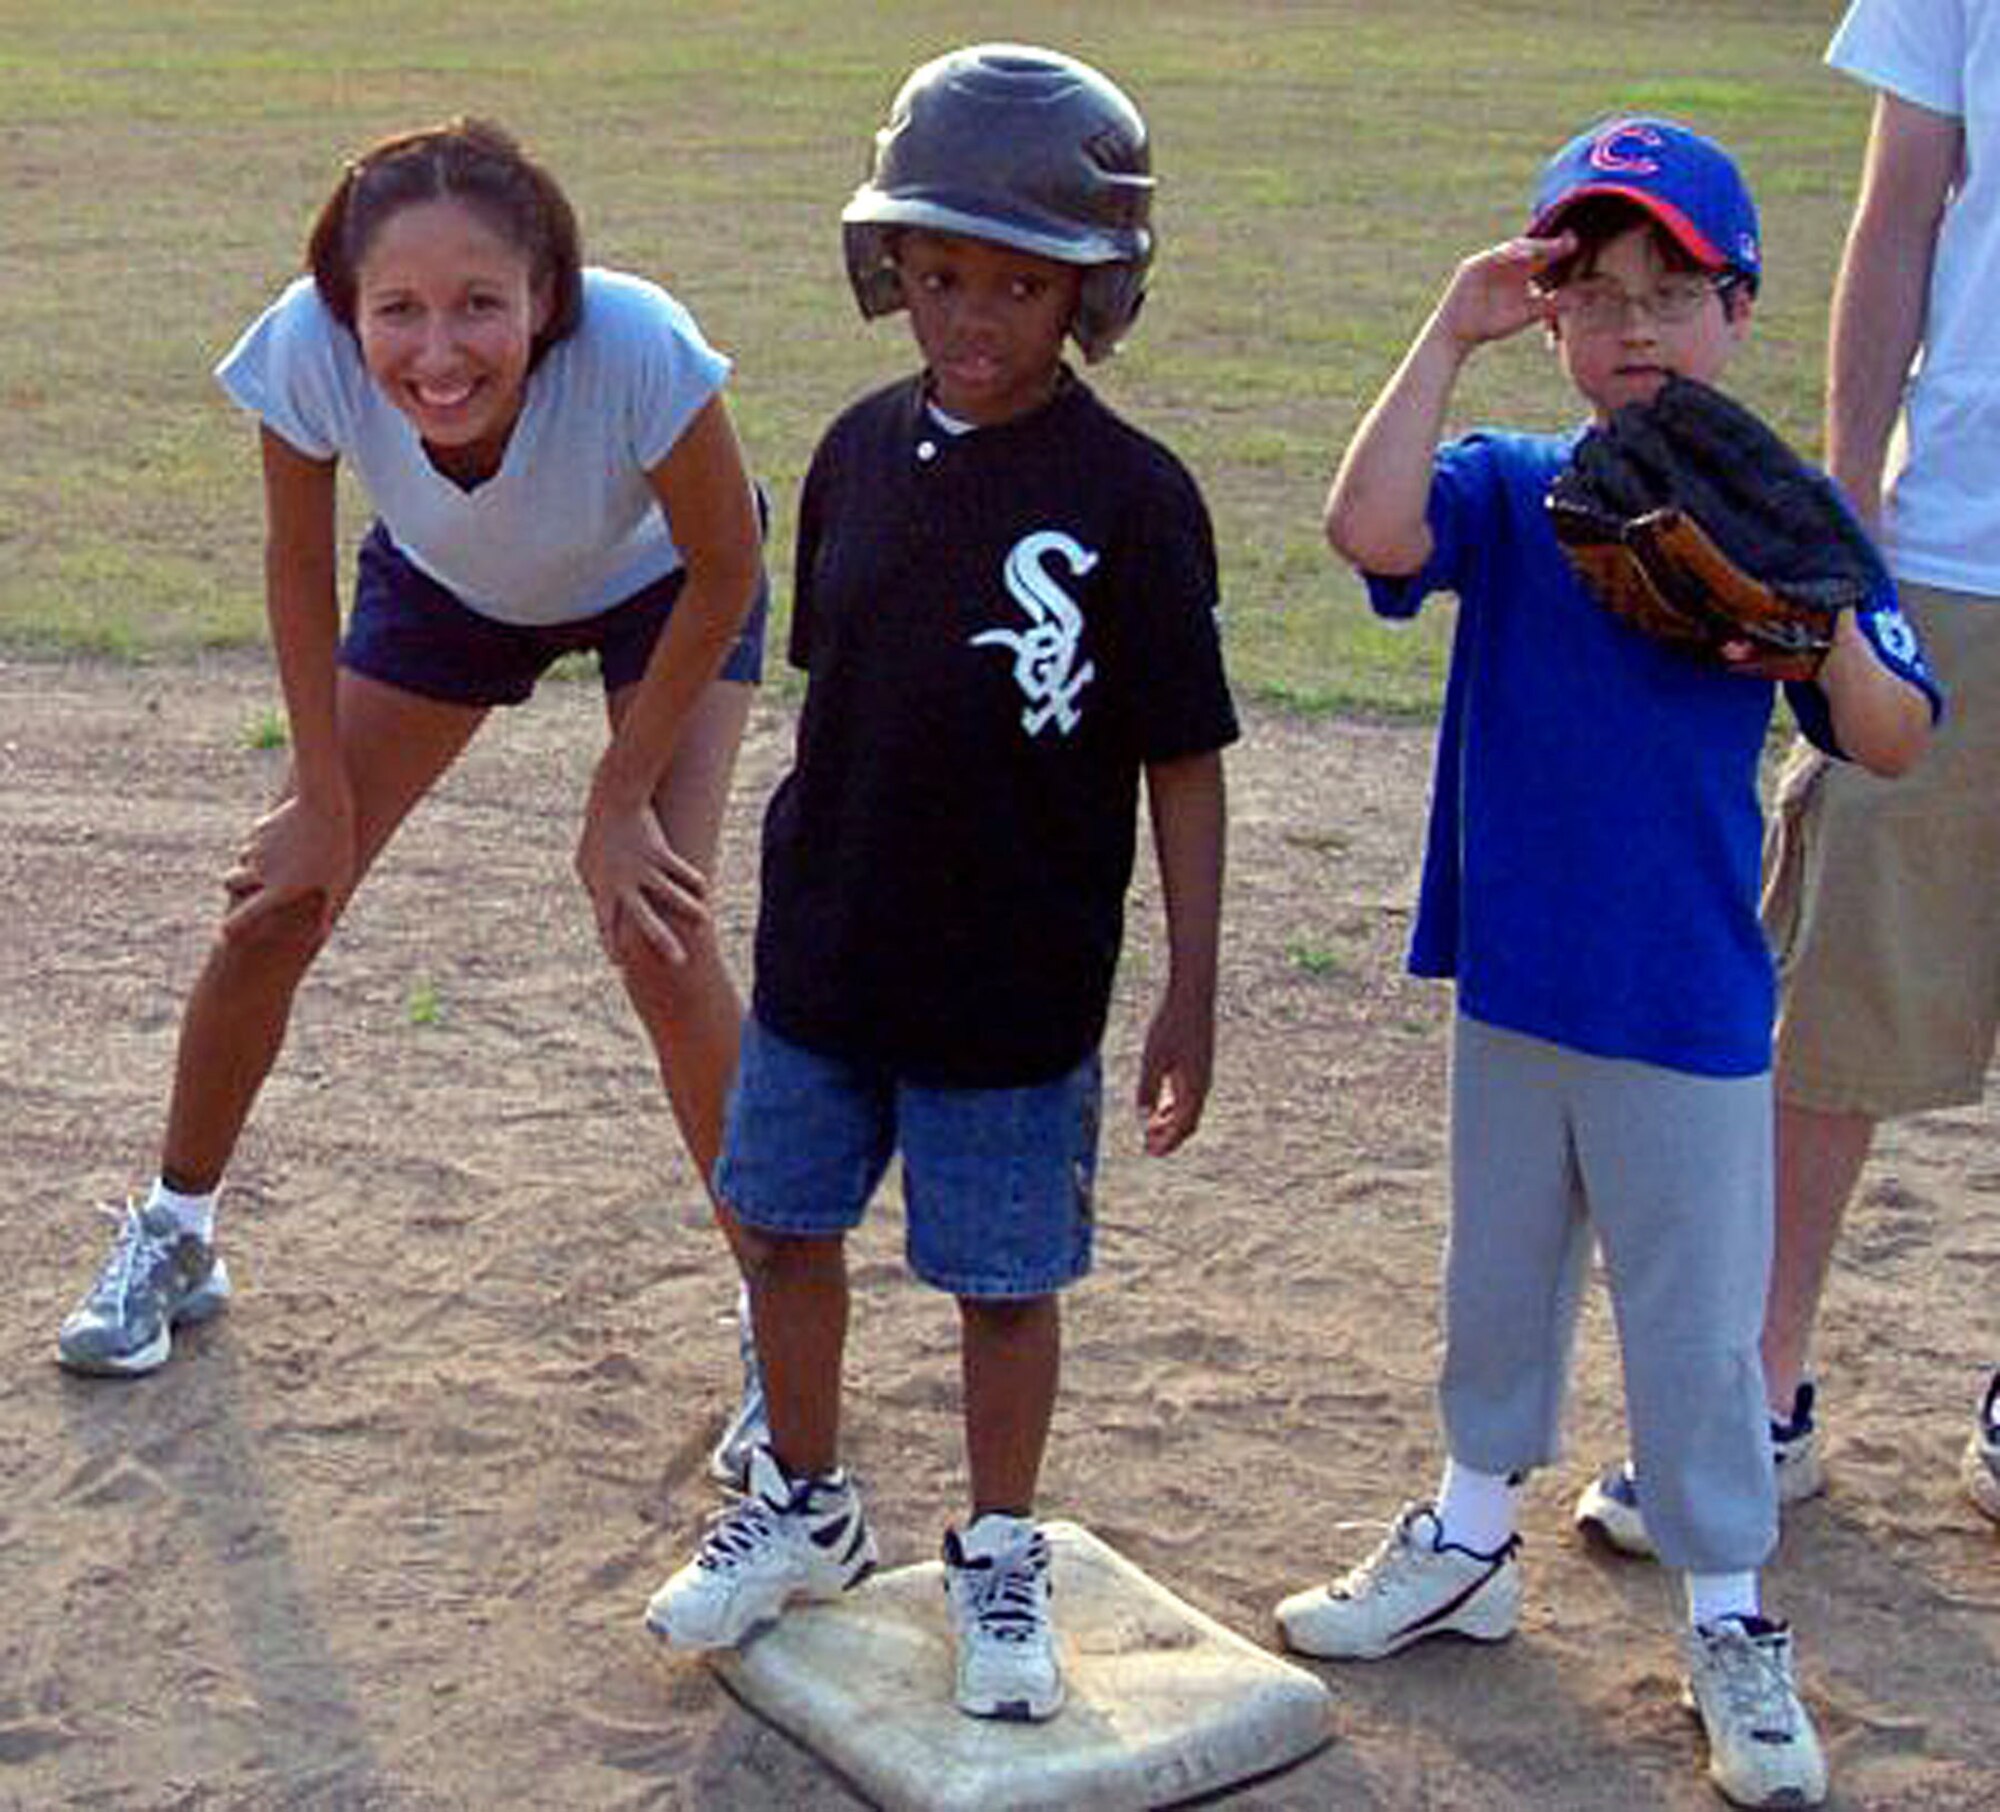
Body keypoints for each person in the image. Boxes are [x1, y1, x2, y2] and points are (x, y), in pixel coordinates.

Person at [1272, 117, 1936, 1810]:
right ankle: (1472, 1538)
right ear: (1552, 320)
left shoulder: (1783, 520)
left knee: (1697, 1335)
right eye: (1594, 293)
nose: (1632, 326)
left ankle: (1729, 1613)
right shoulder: (1514, 490)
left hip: (1689, 1011)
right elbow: (1366, 525)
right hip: (1518, 985)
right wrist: (1449, 327)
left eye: (1673, 291)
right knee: (1495, 1283)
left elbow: (1895, 736)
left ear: (1739, 310)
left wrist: (1821, 588)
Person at [643, 44, 1237, 1724]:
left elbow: (1180, 758)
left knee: (999, 1281)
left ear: (1092, 291)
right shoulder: (847, 448)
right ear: (890, 266)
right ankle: (811, 1501)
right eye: (939, 273)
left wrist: (1189, 983)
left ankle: (996, 1548)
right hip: (832, 952)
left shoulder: (1133, 501)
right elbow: (843, 696)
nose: (971, 316)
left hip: (1016, 978)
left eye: (1019, 282)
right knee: (779, 1224)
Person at [56, 118, 769, 1384]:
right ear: (348, 305)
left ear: (544, 298)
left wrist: (617, 801)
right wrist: (318, 799)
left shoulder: (638, 345)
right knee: (274, 907)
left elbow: (727, 563)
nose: (438, 352)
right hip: (444, 588)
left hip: (658, 588)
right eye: (398, 309)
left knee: (659, 931)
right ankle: (177, 1233)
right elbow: (295, 563)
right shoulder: (306, 347)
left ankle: (782, 1318)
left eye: (481, 304)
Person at [1578, 0, 2000, 1555]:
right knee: (1838, 969)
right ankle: (1755, 1383)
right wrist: (1849, 507)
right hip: (1965, 528)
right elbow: (1901, 212)